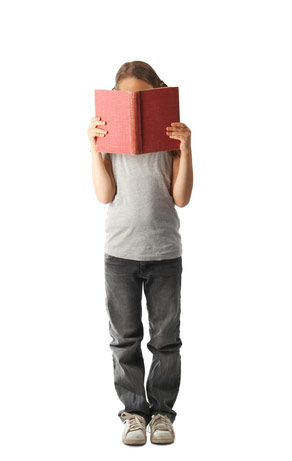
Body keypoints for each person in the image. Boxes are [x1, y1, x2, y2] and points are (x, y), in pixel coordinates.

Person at [88, 61, 193, 445]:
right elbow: (104, 195)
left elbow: (181, 197)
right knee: (124, 339)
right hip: (120, 252)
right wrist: (95, 149)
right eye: (127, 97)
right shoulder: (111, 137)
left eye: (143, 97)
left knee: (166, 339)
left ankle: (162, 412)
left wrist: (186, 149)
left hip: (164, 251)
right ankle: (134, 413)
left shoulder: (169, 137)